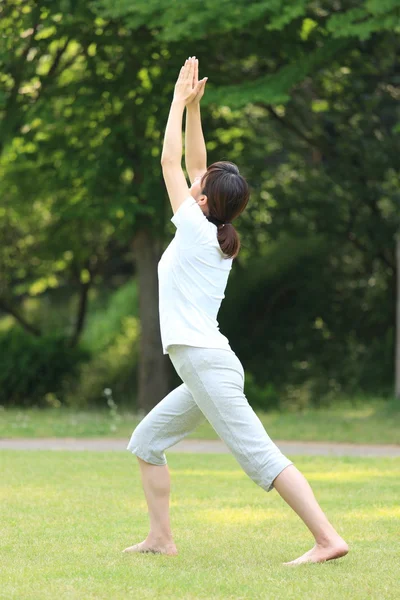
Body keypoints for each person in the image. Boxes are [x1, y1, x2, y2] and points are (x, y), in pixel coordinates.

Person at [123, 56, 349, 565]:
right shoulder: (211, 229)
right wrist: (196, 109)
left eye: (200, 186)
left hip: (207, 365)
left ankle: (327, 539)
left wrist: (176, 105)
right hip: (205, 366)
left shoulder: (198, 231)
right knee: (147, 442)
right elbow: (198, 166)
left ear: (203, 203)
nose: (196, 181)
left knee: (259, 457)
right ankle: (161, 538)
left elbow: (171, 162)